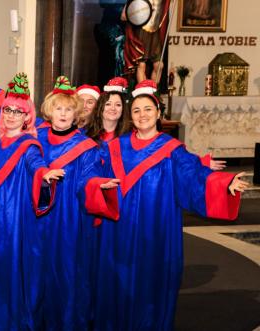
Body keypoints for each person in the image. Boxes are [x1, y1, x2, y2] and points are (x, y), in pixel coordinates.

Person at [95, 80, 248, 330]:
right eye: (136, 110)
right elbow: (92, 176)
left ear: (158, 113)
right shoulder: (115, 147)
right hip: (117, 231)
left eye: (147, 109)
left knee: (150, 284)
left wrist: (224, 183)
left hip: (155, 230)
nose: (142, 115)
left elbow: (193, 174)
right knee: (117, 283)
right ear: (130, 116)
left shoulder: (172, 150)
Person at [0, 73, 63, 330]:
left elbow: (35, 164)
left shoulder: (29, 144)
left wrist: (43, 174)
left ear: (28, 116)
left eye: (18, 111)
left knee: (12, 270)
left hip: (15, 219)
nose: (12, 115)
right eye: (7, 110)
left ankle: (12, 323)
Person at [36, 76, 120, 330]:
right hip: (38, 220)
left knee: (68, 275)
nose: (63, 114)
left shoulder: (86, 147)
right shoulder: (36, 139)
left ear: (76, 114)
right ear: (50, 111)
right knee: (38, 274)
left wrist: (97, 185)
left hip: (69, 222)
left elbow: (88, 178)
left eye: (69, 109)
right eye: (58, 108)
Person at [86, 77, 129, 144]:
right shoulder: (85, 134)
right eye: (108, 104)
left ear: (123, 109)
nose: (113, 108)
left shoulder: (129, 137)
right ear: (100, 107)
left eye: (118, 105)